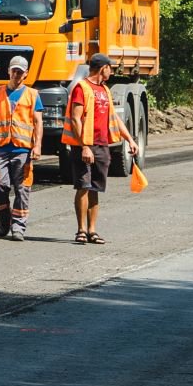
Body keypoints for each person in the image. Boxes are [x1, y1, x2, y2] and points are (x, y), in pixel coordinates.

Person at [63, 52, 127, 244]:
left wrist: (130, 140)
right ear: (103, 68)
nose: (111, 70)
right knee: (83, 186)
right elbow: (75, 118)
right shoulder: (81, 88)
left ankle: (92, 230)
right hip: (85, 147)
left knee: (96, 188)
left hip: (102, 145)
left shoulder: (105, 90)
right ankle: (81, 230)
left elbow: (114, 118)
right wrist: (84, 146)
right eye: (110, 67)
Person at [0, 54, 40, 240]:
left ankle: (18, 228)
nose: (16, 74)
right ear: (8, 71)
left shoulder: (32, 94)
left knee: (22, 188)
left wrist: (37, 146)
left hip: (22, 149)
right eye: (14, 71)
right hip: (1, 148)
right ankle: (5, 221)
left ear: (26, 74)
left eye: (20, 72)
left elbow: (38, 122)